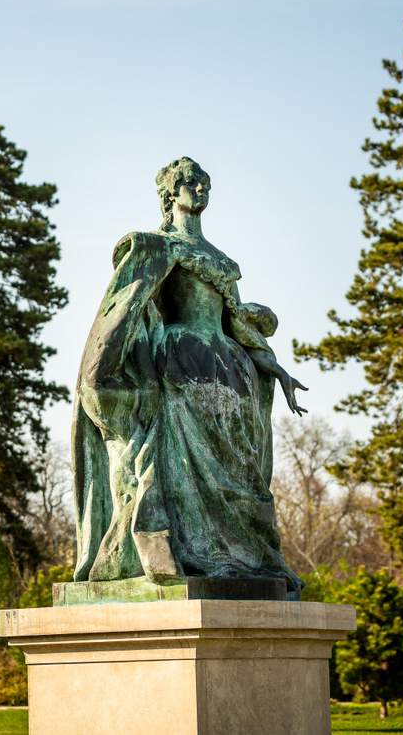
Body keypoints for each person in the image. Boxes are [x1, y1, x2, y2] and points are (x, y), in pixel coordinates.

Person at [72, 157, 305, 598]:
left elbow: (237, 320)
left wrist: (276, 369)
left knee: (240, 471)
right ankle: (190, 552)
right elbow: (127, 308)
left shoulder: (222, 261)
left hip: (230, 370)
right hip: (182, 364)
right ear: (170, 194)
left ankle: (240, 558)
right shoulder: (156, 247)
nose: (201, 190)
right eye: (192, 183)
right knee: (183, 464)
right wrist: (108, 376)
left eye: (205, 184)